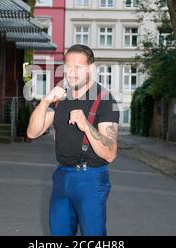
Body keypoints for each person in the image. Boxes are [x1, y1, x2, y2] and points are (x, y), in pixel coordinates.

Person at [27, 44, 120, 236]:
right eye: (68, 67)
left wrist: (86, 125)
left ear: (91, 68)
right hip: (62, 176)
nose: (72, 72)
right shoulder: (60, 98)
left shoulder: (105, 101)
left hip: (91, 179)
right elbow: (32, 133)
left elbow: (110, 153)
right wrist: (45, 101)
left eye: (79, 67)